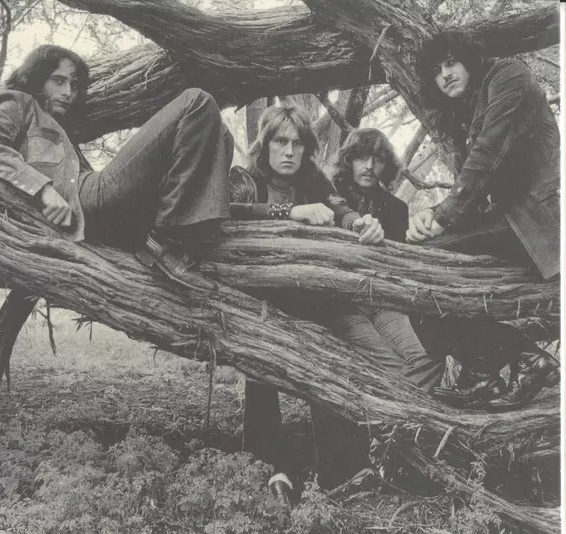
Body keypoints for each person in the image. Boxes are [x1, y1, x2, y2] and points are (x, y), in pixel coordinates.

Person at [0, 45, 233, 292]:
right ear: (36, 79)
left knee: (221, 133)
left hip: (115, 216)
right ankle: (165, 239)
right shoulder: (18, 102)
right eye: (58, 81)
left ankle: (188, 231)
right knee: (196, 100)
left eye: (74, 85)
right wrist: (43, 190)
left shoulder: (58, 122)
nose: (68, 92)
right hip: (88, 198)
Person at [230, 104, 387, 502]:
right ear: (265, 144)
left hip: (308, 297)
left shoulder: (312, 178)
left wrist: (359, 222)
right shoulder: (245, 178)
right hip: (257, 300)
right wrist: (290, 212)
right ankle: (272, 470)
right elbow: (232, 211)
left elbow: (339, 206)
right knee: (261, 365)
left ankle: (339, 469)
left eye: (298, 144)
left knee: (327, 357)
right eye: (280, 141)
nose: (289, 151)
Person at [407, 31, 560, 408]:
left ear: (469, 59)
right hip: (508, 221)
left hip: (539, 220)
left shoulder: (509, 75)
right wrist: (431, 215)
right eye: (436, 71)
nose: (444, 75)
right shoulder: (463, 109)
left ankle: (509, 363)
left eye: (450, 62)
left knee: (423, 266)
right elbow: (471, 191)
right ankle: (492, 368)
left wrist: (444, 217)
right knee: (416, 272)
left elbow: (489, 153)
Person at [328, 128, 444, 394]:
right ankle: (393, 413)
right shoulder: (330, 196)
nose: (369, 166)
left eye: (378, 160)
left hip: (382, 302)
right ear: (349, 159)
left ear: (387, 166)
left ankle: (391, 415)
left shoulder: (396, 208)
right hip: (343, 307)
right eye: (362, 157)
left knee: (427, 361)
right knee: (392, 368)